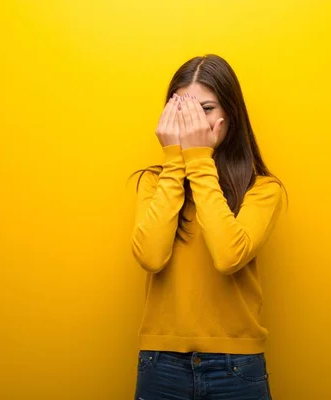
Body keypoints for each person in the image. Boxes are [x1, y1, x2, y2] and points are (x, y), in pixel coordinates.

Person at [131, 54, 285, 400]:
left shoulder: (262, 189)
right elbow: (151, 257)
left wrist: (199, 161)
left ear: (229, 114)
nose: (193, 122)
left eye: (205, 109)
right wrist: (175, 161)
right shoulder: (153, 184)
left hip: (236, 366)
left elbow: (229, 256)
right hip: (161, 362)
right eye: (182, 109)